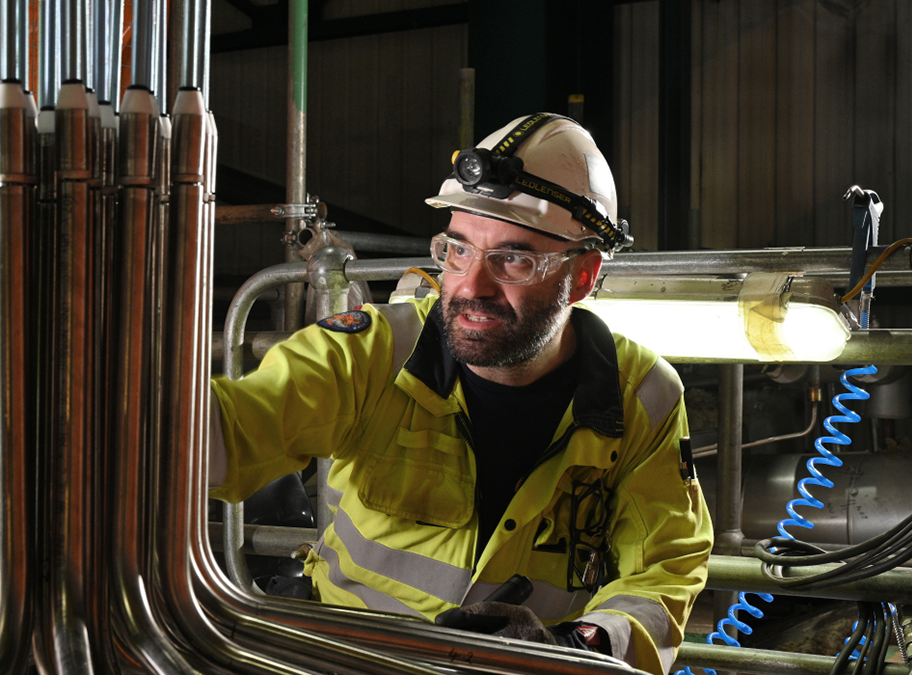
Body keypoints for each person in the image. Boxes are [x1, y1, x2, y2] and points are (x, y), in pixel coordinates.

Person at [208, 113, 712, 675]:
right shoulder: (369, 354)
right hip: (353, 660)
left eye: (514, 258)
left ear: (585, 275)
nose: (471, 286)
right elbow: (230, 434)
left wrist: (575, 648)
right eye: (458, 249)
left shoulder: (641, 397)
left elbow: (666, 568)